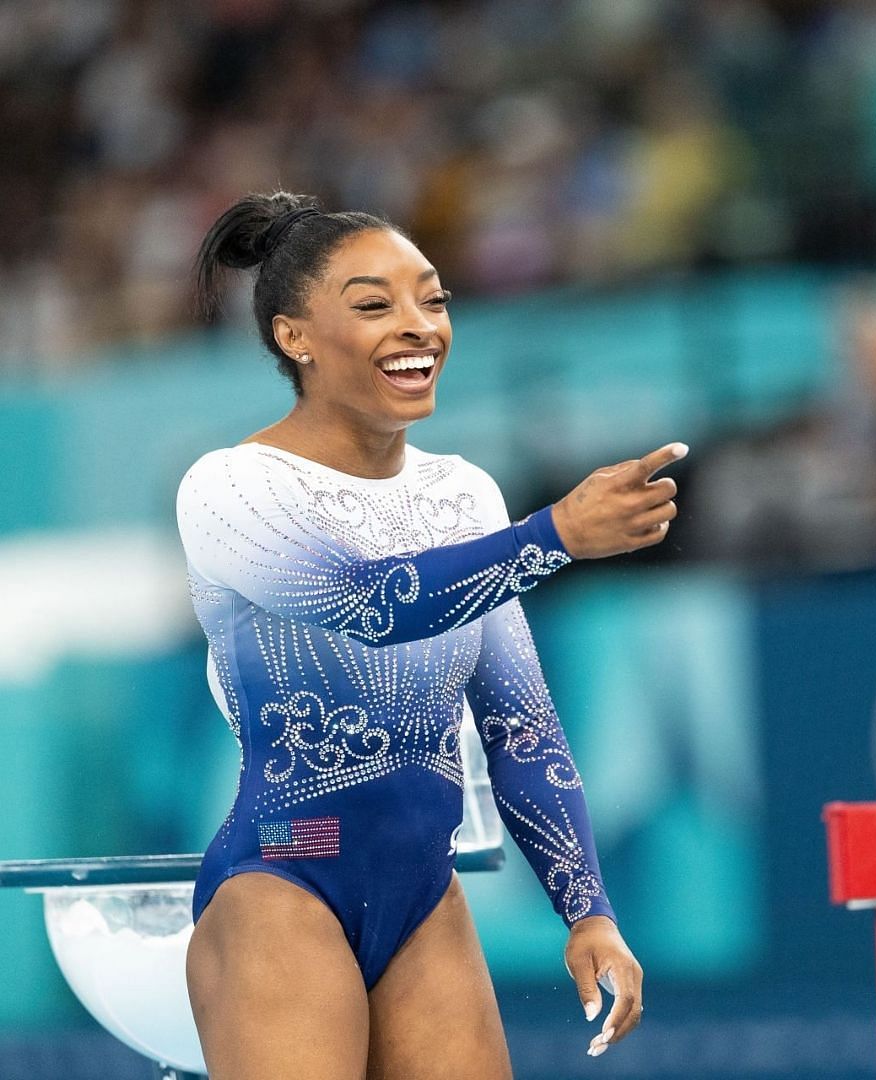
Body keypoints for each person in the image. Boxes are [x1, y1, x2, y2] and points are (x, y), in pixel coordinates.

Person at [179, 192, 680, 1077]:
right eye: (374, 305)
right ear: (294, 336)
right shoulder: (231, 488)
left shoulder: (464, 496)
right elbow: (373, 608)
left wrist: (588, 909)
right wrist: (555, 534)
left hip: (421, 897)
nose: (418, 327)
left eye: (434, 299)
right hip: (282, 884)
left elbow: (519, 728)